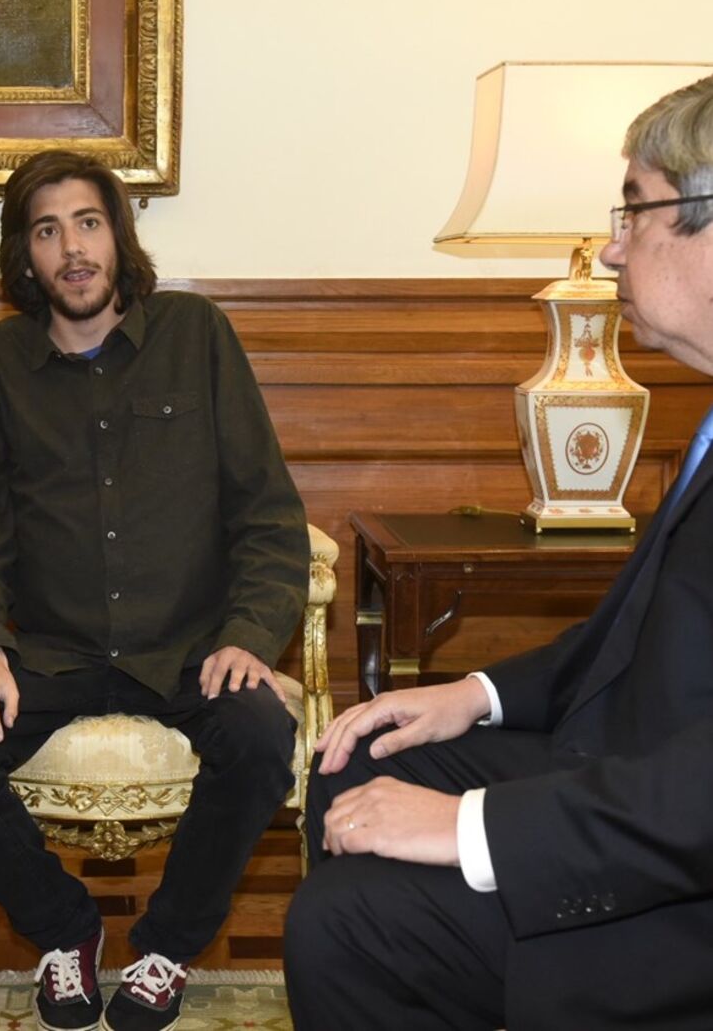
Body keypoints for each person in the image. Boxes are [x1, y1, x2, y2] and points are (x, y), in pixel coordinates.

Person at [284, 74, 713, 1031]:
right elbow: (626, 643)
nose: (611, 245)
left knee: (346, 923)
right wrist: (469, 695)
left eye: (634, 210)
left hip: (681, 890)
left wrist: (471, 827)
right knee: (355, 759)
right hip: (633, 780)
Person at [0, 149, 309, 1031]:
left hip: (190, 646)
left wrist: (249, 635)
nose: (73, 249)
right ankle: (65, 929)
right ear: (24, 255)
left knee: (259, 735)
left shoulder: (197, 335)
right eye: (47, 231)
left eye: (88, 224)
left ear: (118, 236)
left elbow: (268, 514)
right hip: (52, 651)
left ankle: (167, 947)